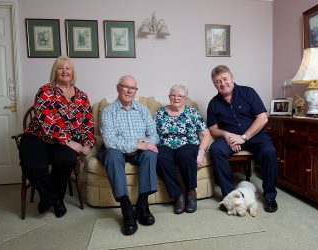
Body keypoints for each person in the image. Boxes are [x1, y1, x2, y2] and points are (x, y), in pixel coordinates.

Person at [19, 56, 95, 218]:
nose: (65, 71)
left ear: (73, 72)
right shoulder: (45, 91)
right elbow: (46, 122)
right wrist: (69, 141)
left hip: (63, 143)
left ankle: (49, 198)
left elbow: (88, 122)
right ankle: (54, 199)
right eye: (61, 68)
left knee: (66, 160)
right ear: (55, 71)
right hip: (38, 136)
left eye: (68, 68)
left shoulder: (82, 96)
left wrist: (87, 143)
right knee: (33, 164)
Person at [206, 65, 279, 213]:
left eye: (225, 79)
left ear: (232, 78)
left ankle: (270, 196)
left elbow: (263, 118)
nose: (222, 83)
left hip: (254, 135)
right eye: (217, 81)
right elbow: (213, 129)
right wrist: (227, 135)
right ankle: (229, 195)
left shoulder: (248, 92)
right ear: (214, 84)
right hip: (230, 138)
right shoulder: (213, 103)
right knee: (215, 149)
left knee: (269, 152)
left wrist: (243, 138)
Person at [98, 75, 159, 236]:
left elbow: (154, 135)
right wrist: (135, 144)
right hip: (115, 151)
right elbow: (110, 140)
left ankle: (142, 204)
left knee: (151, 154)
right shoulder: (108, 111)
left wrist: (143, 144)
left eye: (133, 88)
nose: (130, 91)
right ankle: (126, 209)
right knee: (111, 155)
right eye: (126, 87)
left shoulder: (143, 110)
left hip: (139, 152)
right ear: (118, 88)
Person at [155, 84, 211, 214]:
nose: (176, 98)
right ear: (169, 97)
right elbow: (152, 133)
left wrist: (201, 152)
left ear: (185, 99)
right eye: (173, 95)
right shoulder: (160, 113)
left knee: (186, 155)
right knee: (160, 158)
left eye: (180, 96)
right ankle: (178, 194)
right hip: (165, 145)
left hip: (188, 144)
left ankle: (191, 191)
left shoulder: (192, 113)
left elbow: (206, 134)